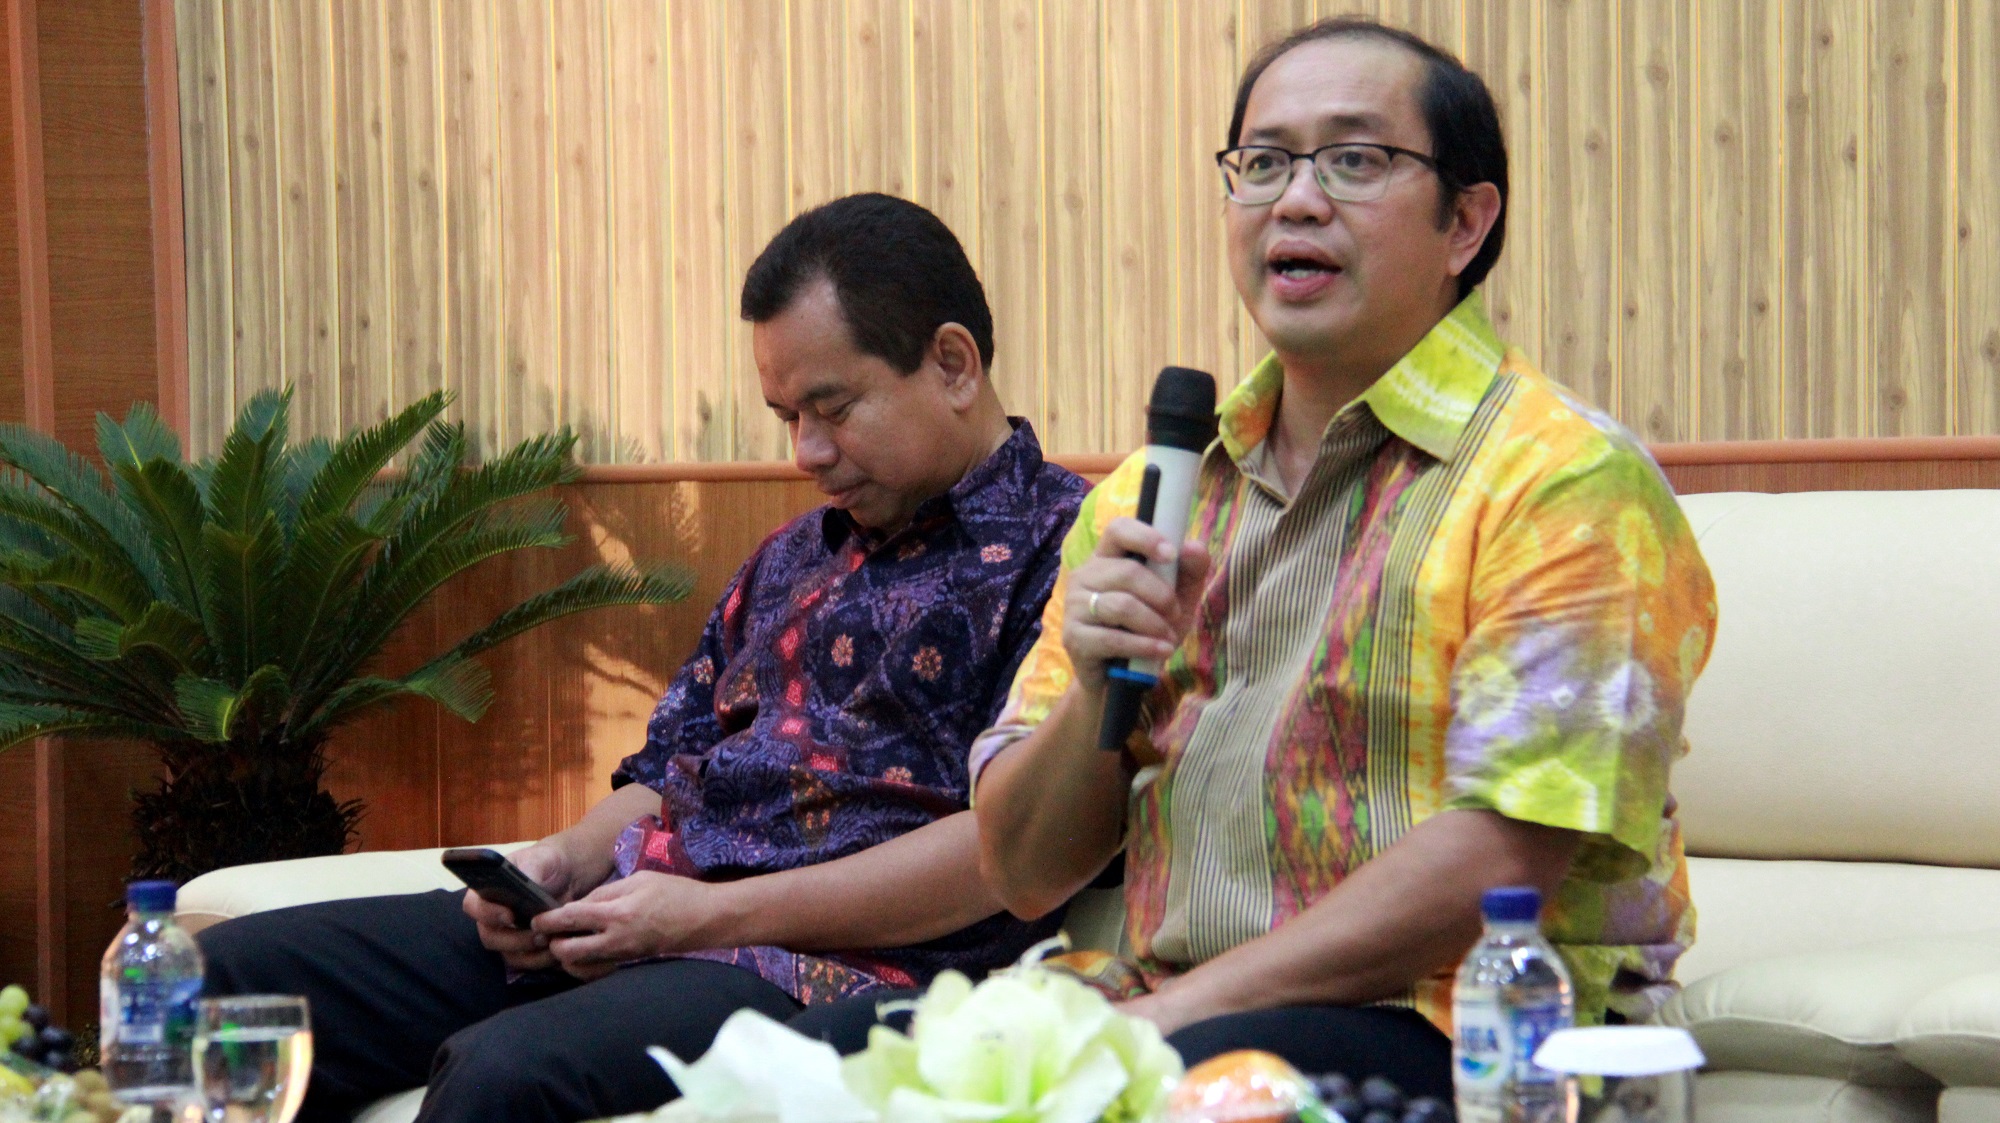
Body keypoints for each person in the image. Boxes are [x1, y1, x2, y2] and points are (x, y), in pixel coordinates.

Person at [811, 19, 1717, 1098]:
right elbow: (1022, 870)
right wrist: (1096, 691)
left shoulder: (1562, 479)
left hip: (1470, 1027)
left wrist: (1172, 1017)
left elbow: (1500, 860)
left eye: (1355, 160)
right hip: (1171, 1000)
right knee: (820, 1070)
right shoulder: (1152, 496)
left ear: (1466, 223)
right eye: (1264, 162)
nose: (1296, 200)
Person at [198, 193, 1089, 1123]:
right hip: (640, 914)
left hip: (825, 969)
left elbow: (1012, 846)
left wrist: (707, 916)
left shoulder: (1066, 555)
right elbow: (666, 767)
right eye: (787, 415)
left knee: (501, 1075)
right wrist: (560, 863)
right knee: (221, 983)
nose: (807, 451)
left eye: (833, 409)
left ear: (952, 363)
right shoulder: (794, 556)